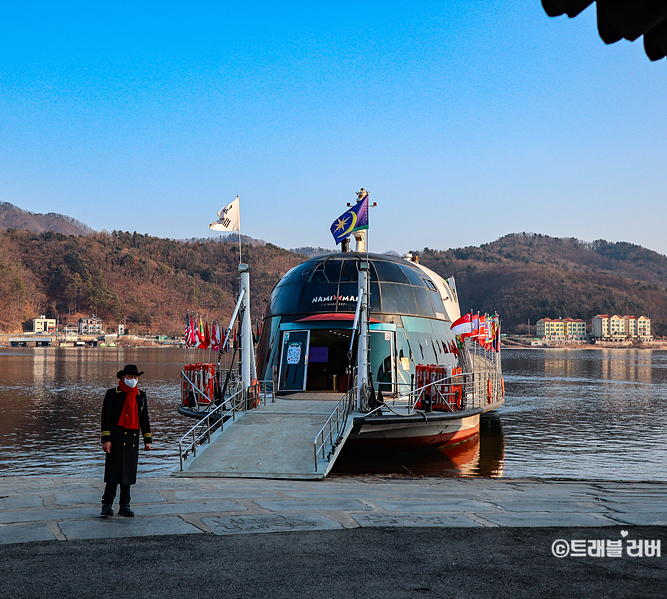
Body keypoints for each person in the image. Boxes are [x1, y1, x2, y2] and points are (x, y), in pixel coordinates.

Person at [100, 364, 152, 517]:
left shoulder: (140, 395)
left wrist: (147, 440)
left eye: (136, 378)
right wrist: (106, 439)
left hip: (132, 440)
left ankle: (125, 505)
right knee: (113, 473)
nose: (133, 380)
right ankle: (107, 504)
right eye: (131, 377)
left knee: (128, 474)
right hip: (115, 439)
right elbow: (106, 419)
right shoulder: (112, 394)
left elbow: (144, 419)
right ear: (123, 378)